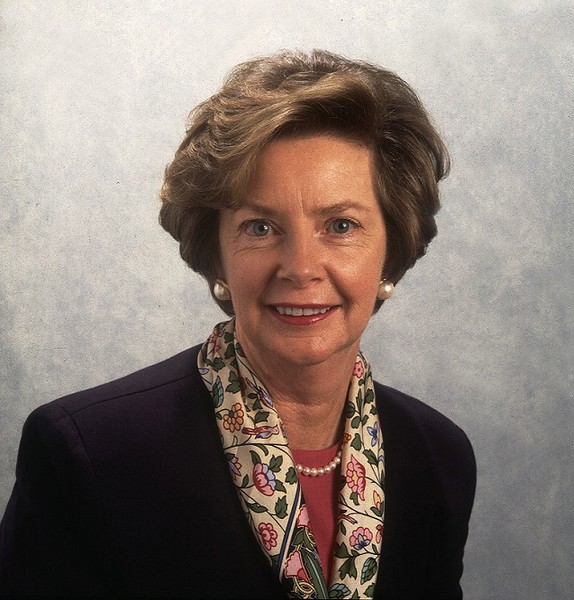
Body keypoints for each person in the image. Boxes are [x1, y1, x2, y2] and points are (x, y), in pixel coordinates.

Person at [0, 50, 475, 598]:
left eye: (341, 225)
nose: (300, 267)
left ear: (391, 251)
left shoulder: (439, 458)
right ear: (218, 254)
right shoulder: (89, 454)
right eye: (260, 227)